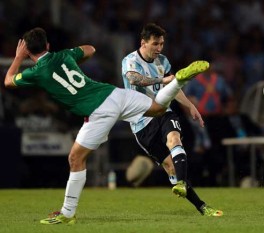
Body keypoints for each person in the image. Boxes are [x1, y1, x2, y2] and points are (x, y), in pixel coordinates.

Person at [4, 27, 209, 225]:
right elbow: (90, 49)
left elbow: (8, 81)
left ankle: (67, 213)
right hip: (113, 94)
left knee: (76, 158)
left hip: (97, 111)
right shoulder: (64, 55)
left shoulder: (36, 72)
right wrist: (74, 59)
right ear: (48, 45)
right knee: (157, 108)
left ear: (29, 50)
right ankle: (176, 82)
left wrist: (19, 57)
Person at [121, 23, 223, 216]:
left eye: (161, 44)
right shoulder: (130, 60)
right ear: (143, 43)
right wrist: (163, 80)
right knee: (170, 167)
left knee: (174, 139)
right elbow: (134, 79)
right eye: (155, 44)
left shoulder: (163, 61)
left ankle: (201, 205)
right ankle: (191, 194)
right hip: (140, 121)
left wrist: (190, 106)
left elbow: (172, 89)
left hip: (162, 111)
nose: (159, 49)